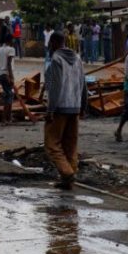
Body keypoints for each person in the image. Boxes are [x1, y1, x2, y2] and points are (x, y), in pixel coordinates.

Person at [44, 31, 88, 190]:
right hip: (75, 106)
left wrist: (50, 110)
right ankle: (68, 178)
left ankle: (67, 172)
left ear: (54, 43)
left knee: (52, 143)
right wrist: (83, 106)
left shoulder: (56, 59)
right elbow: (83, 84)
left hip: (60, 107)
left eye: (50, 43)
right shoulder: (77, 58)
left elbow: (54, 87)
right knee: (70, 144)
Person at [0, 35, 16, 124]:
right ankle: (5, 119)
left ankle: (8, 117)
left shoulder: (0, 49)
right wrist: (11, 77)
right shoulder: (11, 49)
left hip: (0, 75)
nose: (14, 41)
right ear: (10, 40)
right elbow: (9, 64)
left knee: (9, 95)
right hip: (6, 75)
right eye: (13, 40)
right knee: (9, 96)